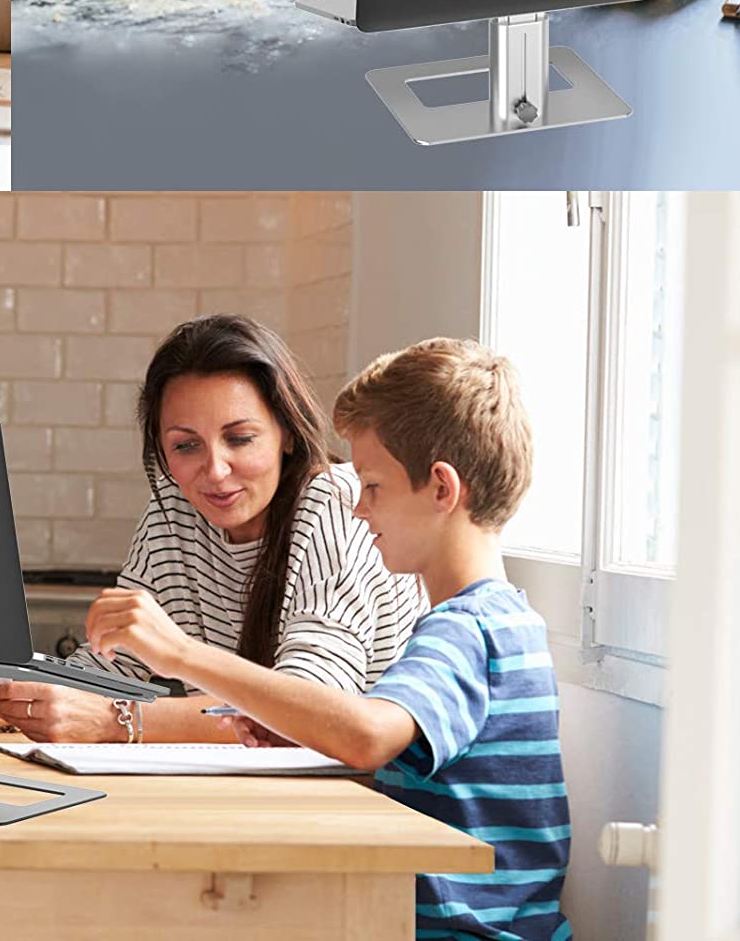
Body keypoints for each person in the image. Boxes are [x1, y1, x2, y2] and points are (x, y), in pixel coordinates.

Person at [87, 338, 569, 941]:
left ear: (442, 489)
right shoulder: (493, 621)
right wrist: (289, 722)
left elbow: (366, 734)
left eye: (371, 486)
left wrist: (181, 654)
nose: (359, 509)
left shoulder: (470, 632)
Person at [0, 315, 425, 744]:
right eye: (186, 445)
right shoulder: (176, 508)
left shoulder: (337, 502)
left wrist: (116, 721)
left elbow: (309, 712)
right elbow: (111, 669)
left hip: (361, 799)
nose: (214, 471)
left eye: (239, 438)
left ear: (287, 434)